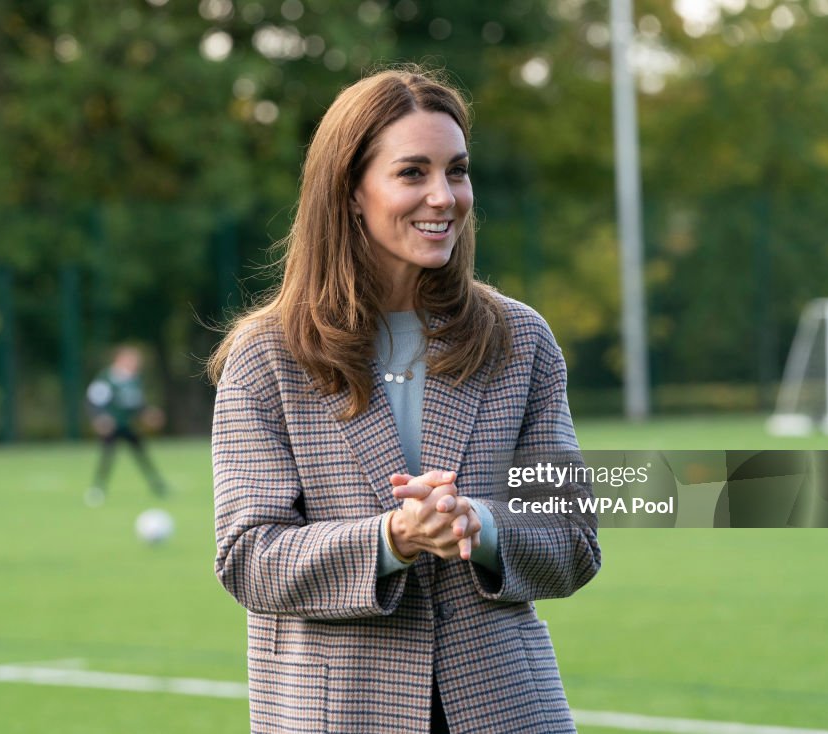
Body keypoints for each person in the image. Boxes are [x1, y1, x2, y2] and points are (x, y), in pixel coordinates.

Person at [209, 66, 601, 734]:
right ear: (351, 191)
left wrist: (479, 526)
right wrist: (392, 538)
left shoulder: (520, 339)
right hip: (338, 715)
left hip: (506, 711)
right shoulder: (267, 356)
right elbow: (249, 557)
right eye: (413, 172)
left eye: (458, 170)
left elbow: (573, 539)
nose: (444, 197)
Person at [84, 345, 168, 506]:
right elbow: (94, 401)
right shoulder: (107, 378)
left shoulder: (134, 380)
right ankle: (98, 489)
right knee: (107, 457)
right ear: (120, 359)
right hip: (112, 426)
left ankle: (157, 485)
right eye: (131, 359)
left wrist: (148, 414)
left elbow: (136, 405)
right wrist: (100, 418)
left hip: (127, 426)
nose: (135, 363)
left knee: (141, 454)